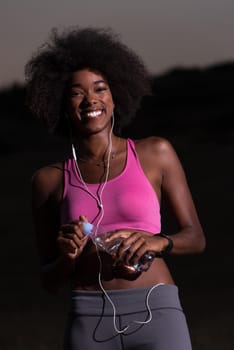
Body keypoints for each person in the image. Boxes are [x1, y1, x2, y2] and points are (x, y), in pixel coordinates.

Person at [25, 27, 206, 350]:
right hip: (88, 318)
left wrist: (156, 242)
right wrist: (68, 256)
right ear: (62, 103)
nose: (91, 99)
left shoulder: (155, 153)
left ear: (115, 94)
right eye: (76, 92)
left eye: (100, 88)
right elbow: (49, 280)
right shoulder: (48, 180)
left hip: (158, 309)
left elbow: (195, 238)